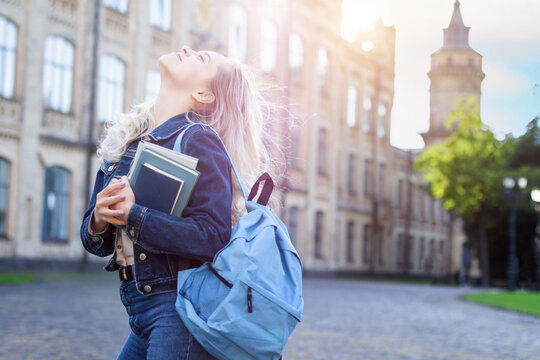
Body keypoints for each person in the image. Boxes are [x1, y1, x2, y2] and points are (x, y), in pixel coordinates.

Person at [80, 46, 277, 359]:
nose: (187, 49)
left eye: (201, 58)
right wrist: (99, 220)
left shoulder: (198, 138)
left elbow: (212, 236)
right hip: (138, 310)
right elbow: (95, 243)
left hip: (177, 311)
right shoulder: (125, 139)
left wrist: (132, 214)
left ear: (203, 93)